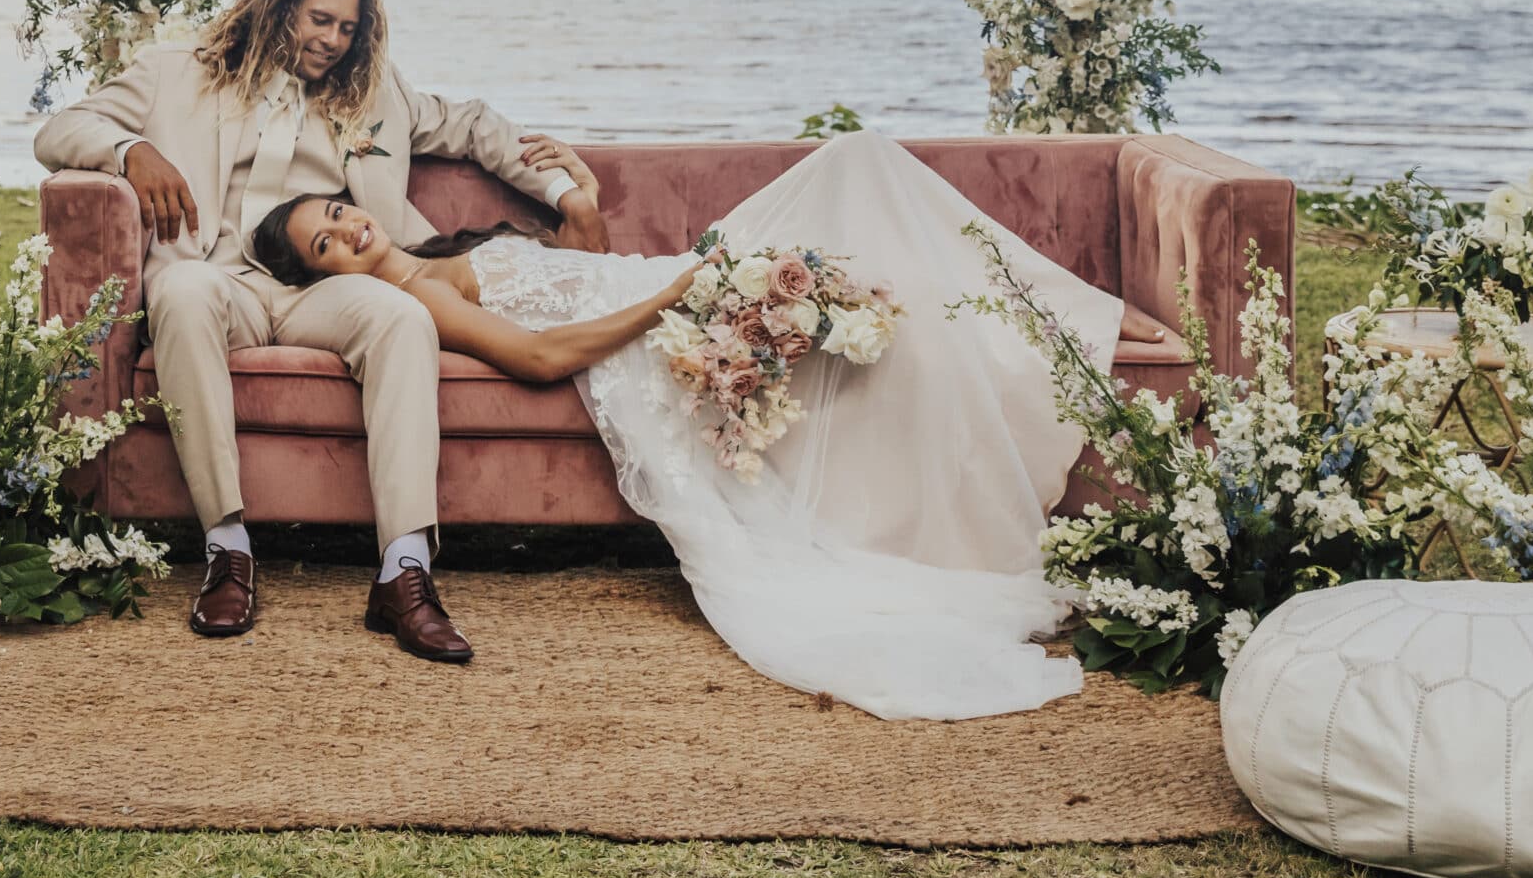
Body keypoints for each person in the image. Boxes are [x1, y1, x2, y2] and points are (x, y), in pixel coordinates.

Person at [247, 130, 1126, 720]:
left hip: (666, 291)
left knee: (865, 185)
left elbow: (574, 279)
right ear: (325, 277)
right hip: (664, 320)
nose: (348, 231)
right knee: (858, 181)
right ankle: (1070, 347)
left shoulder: (441, 254)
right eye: (326, 245)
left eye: (335, 212)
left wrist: (584, 200)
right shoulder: (420, 296)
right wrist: (670, 295)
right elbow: (547, 355)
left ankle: (1057, 339)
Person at [32, 0, 595, 662]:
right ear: (277, 8)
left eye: (346, 28)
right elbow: (58, 131)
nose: (332, 40)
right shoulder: (175, 74)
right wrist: (131, 152)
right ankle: (227, 550)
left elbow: (474, 125)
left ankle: (405, 571)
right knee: (180, 290)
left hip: (328, 286)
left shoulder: (376, 96)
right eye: (318, 20)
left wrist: (562, 190)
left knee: (402, 314)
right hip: (220, 278)